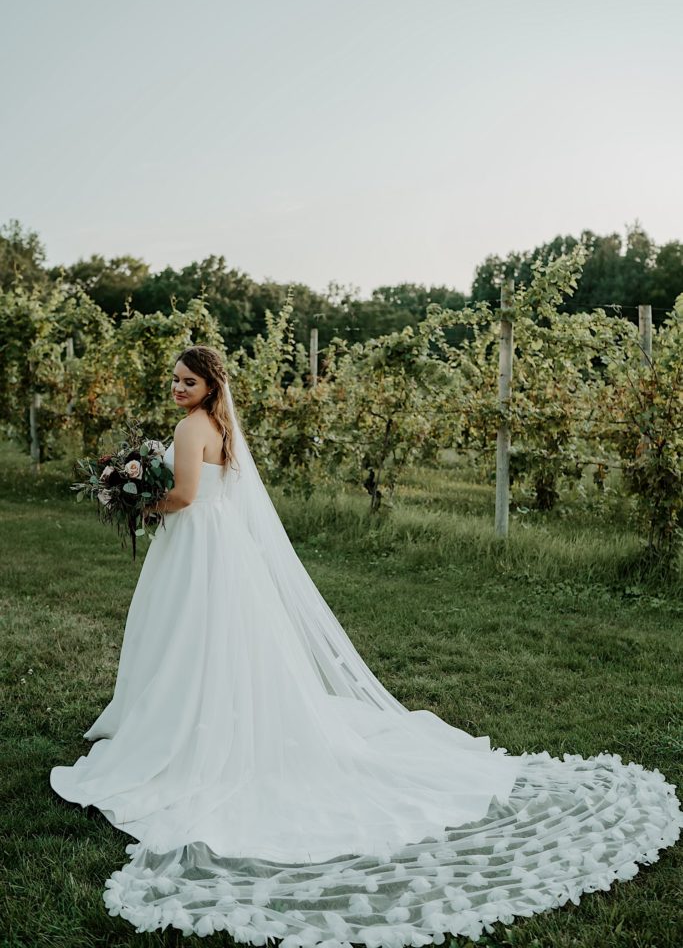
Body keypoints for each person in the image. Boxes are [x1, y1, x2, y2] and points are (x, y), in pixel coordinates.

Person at [50, 345, 682, 945]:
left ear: (210, 385)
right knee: (217, 639)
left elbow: (186, 496)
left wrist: (138, 502)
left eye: (188, 380)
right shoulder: (221, 427)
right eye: (175, 379)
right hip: (222, 548)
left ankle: (181, 727)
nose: (178, 387)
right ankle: (214, 713)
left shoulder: (191, 430)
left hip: (195, 545)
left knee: (188, 636)